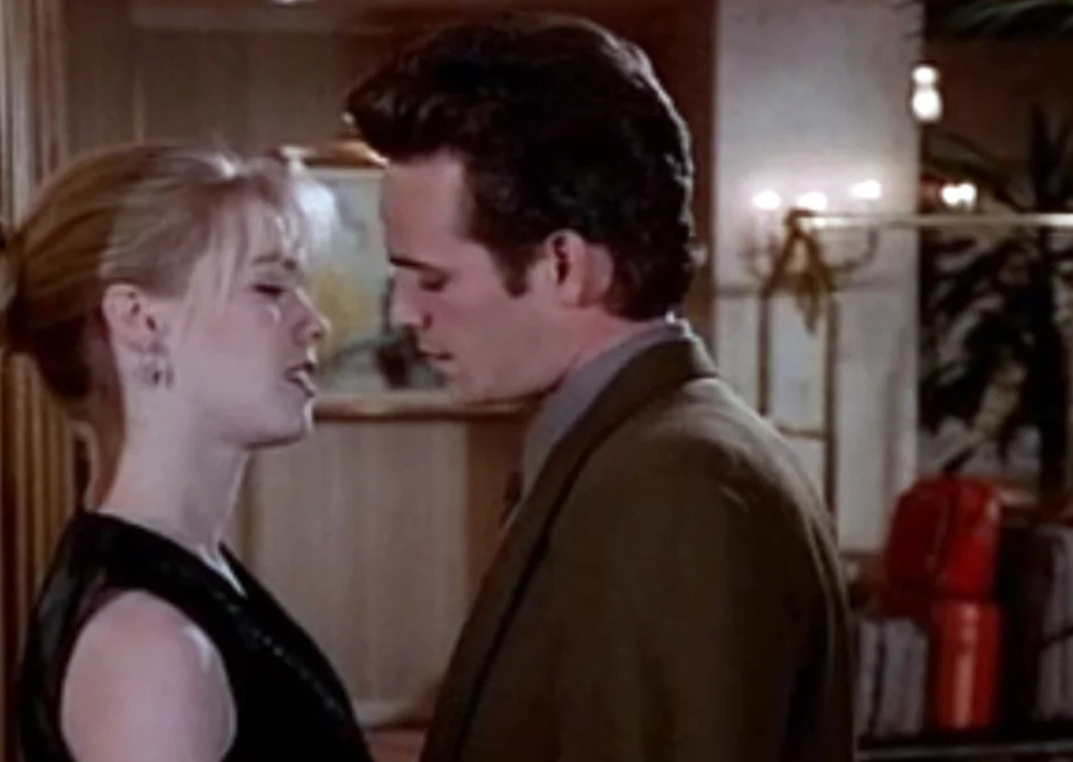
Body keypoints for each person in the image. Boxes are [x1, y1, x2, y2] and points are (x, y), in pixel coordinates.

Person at [346, 13, 854, 762]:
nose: (403, 314)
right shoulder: (633, 451)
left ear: (565, 265)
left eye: (433, 279)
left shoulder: (675, 483)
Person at [0, 143, 373, 762]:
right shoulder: (148, 647)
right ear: (139, 319)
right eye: (269, 288)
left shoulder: (189, 577)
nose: (314, 323)